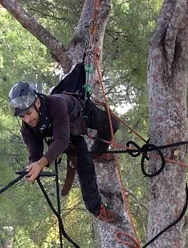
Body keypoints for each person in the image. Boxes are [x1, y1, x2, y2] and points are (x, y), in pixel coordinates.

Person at [9, 81, 123, 224]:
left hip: (82, 115)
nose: (27, 119)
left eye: (28, 113)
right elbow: (35, 153)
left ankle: (98, 152)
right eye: (22, 117)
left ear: (37, 103)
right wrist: (34, 167)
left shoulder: (57, 104)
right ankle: (96, 209)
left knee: (111, 124)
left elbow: (61, 140)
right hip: (69, 135)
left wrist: (41, 163)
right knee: (85, 166)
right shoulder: (27, 128)